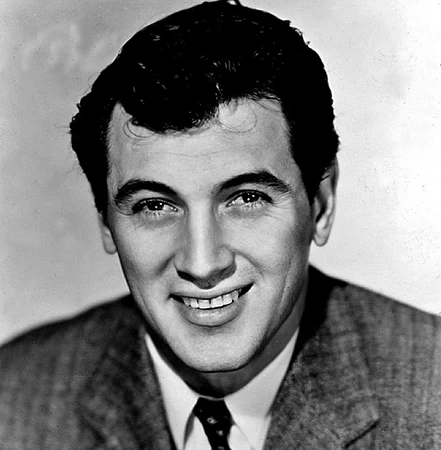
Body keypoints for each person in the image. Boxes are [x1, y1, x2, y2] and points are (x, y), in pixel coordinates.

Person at [1, 0, 440, 448]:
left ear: (321, 205)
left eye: (247, 198)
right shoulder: (13, 401)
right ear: (106, 222)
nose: (203, 263)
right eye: (155, 206)